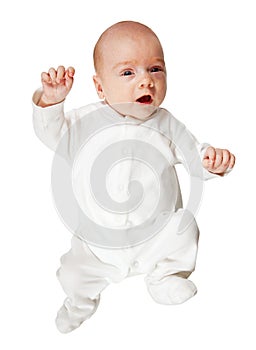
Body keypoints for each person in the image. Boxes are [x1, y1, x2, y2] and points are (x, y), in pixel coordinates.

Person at [32, 21, 235, 333]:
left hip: (154, 237)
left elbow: (194, 154)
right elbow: (51, 134)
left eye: (155, 69)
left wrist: (212, 162)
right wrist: (51, 101)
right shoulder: (85, 122)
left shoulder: (166, 124)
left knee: (185, 227)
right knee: (72, 274)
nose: (146, 82)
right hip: (98, 244)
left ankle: (165, 276)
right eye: (128, 72)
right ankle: (80, 302)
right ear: (100, 87)